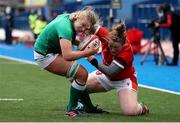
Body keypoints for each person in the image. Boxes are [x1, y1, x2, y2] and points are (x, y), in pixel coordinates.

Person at [34, 7, 101, 117]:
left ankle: (89, 107)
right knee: (82, 74)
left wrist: (83, 45)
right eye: (83, 25)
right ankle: (71, 109)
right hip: (45, 55)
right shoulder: (65, 28)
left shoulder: (70, 18)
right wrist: (89, 52)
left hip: (50, 50)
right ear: (76, 17)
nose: (83, 29)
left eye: (86, 28)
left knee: (79, 76)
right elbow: (68, 55)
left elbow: (69, 39)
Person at [83, 22, 149, 116]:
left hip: (124, 79)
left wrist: (92, 60)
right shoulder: (105, 36)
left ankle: (141, 108)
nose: (113, 50)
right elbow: (90, 24)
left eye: (116, 47)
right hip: (105, 75)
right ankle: (84, 105)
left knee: (130, 112)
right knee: (78, 82)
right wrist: (83, 28)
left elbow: (111, 72)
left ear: (123, 44)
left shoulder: (127, 51)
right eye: (110, 46)